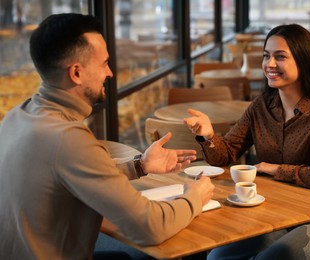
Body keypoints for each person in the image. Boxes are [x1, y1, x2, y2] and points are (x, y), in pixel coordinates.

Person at [0, 13, 214, 259]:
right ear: (76, 73)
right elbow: (149, 228)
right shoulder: (68, 138)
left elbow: (66, 172)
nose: (110, 72)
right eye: (104, 63)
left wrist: (140, 165)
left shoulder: (17, 116)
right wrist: (193, 198)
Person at [184, 23, 310, 259]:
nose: (270, 64)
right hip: (277, 213)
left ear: (304, 62)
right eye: (266, 56)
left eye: (280, 57)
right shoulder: (261, 107)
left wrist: (274, 169)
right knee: (217, 256)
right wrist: (208, 135)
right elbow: (224, 156)